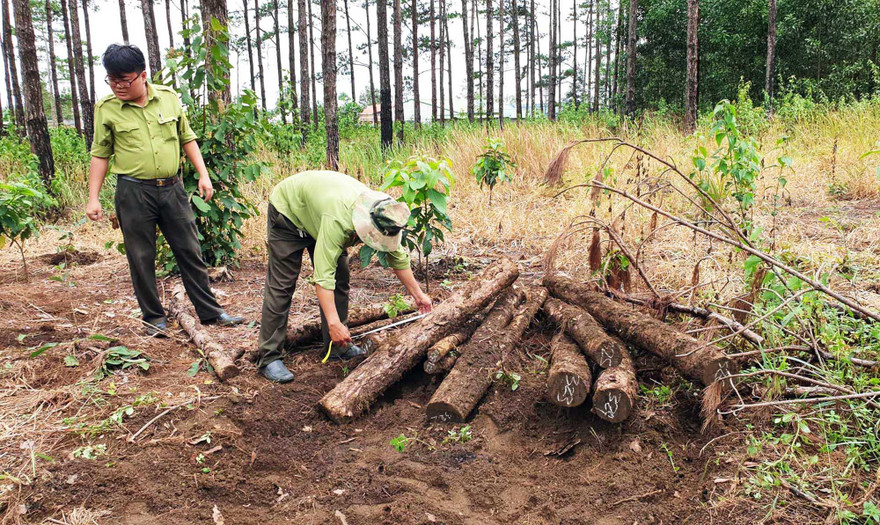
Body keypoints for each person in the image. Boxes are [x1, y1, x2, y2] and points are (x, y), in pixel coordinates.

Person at [86, 44, 244, 336]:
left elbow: (187, 138)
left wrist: (204, 175)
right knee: (141, 256)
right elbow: (100, 153)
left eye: (124, 79)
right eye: (112, 79)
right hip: (133, 193)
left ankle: (210, 312)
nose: (118, 86)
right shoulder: (106, 109)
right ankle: (153, 317)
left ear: (143, 75)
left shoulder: (169, 99)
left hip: (172, 189)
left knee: (190, 249)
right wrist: (93, 197)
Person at [257, 170, 433, 383]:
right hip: (290, 212)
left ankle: (337, 348)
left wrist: (418, 295)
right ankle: (269, 357)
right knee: (282, 285)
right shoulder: (339, 222)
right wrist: (333, 322)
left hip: (320, 211)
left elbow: (398, 258)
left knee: (341, 277)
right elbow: (322, 278)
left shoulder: (386, 215)